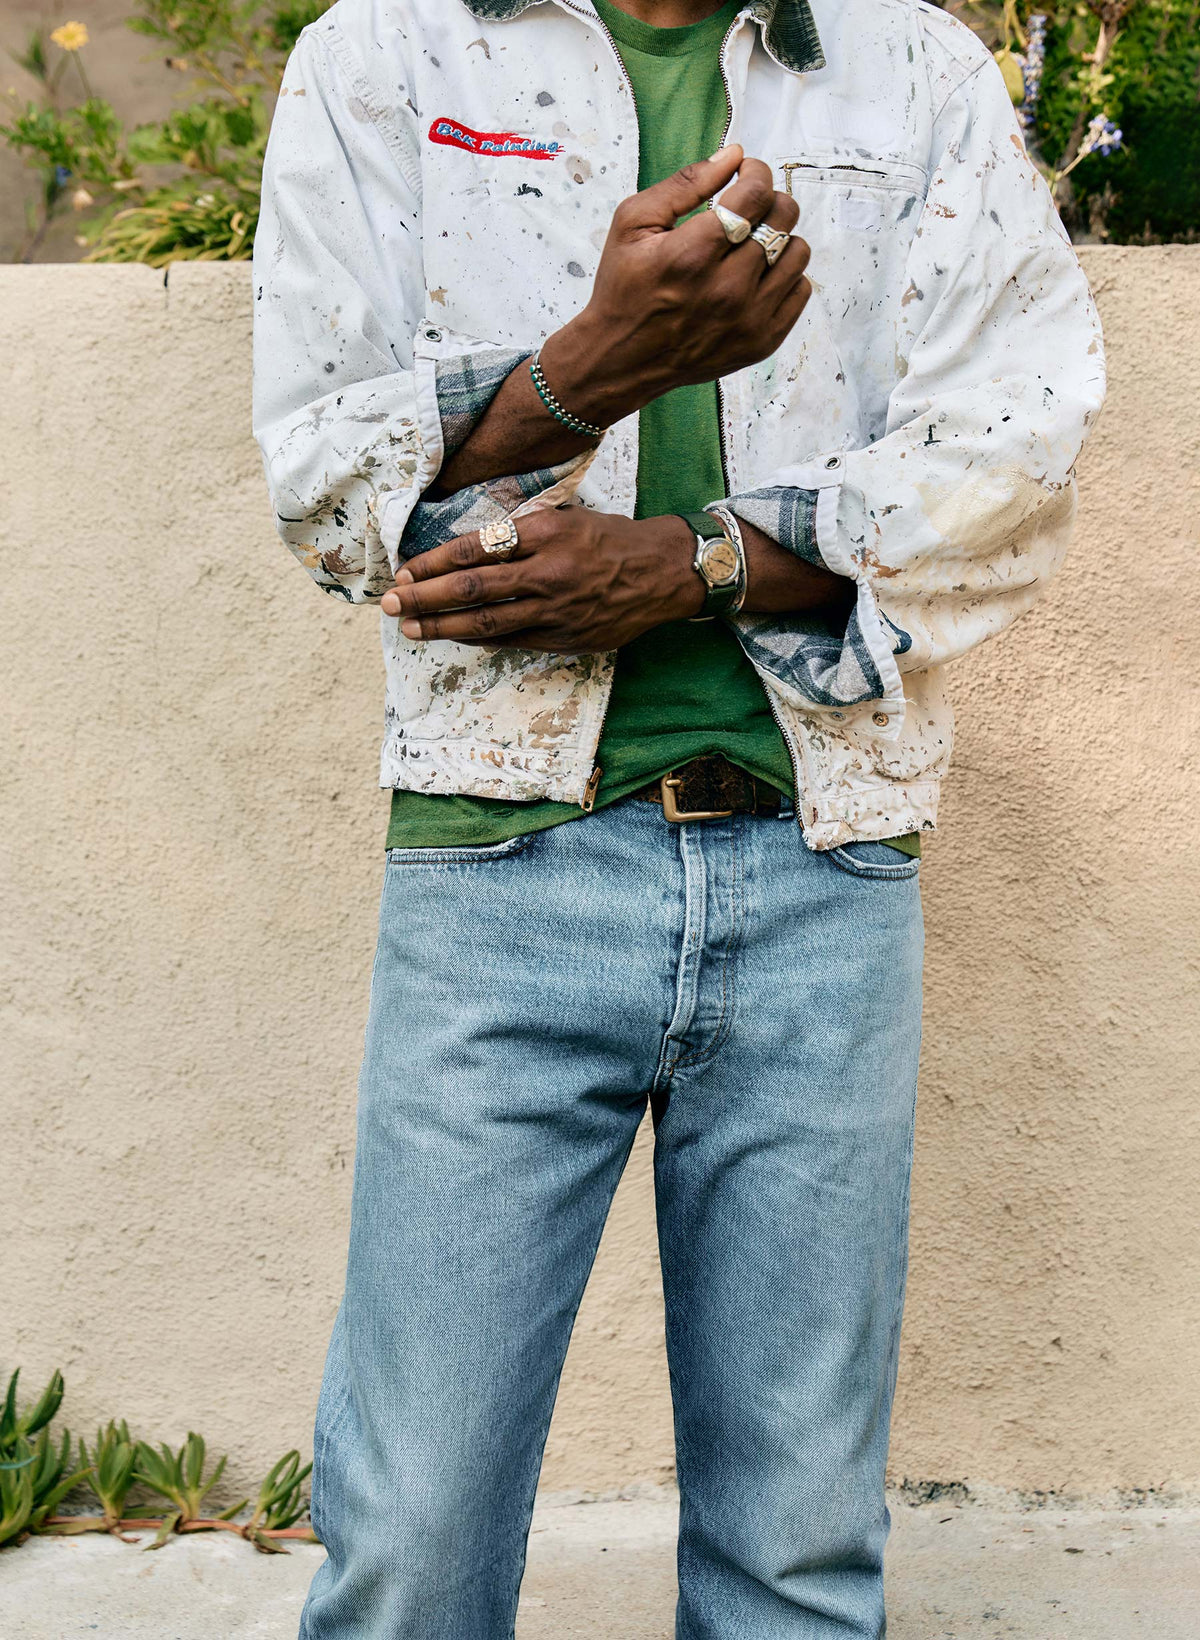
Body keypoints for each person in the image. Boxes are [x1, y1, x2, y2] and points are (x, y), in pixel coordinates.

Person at [252, 0, 1104, 1633]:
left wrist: (689, 564)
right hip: (499, 865)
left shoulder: (913, 67)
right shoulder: (384, 56)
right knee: (414, 1542)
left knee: (797, 1556)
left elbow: (1018, 450)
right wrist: (598, 364)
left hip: (823, 859)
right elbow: (329, 490)